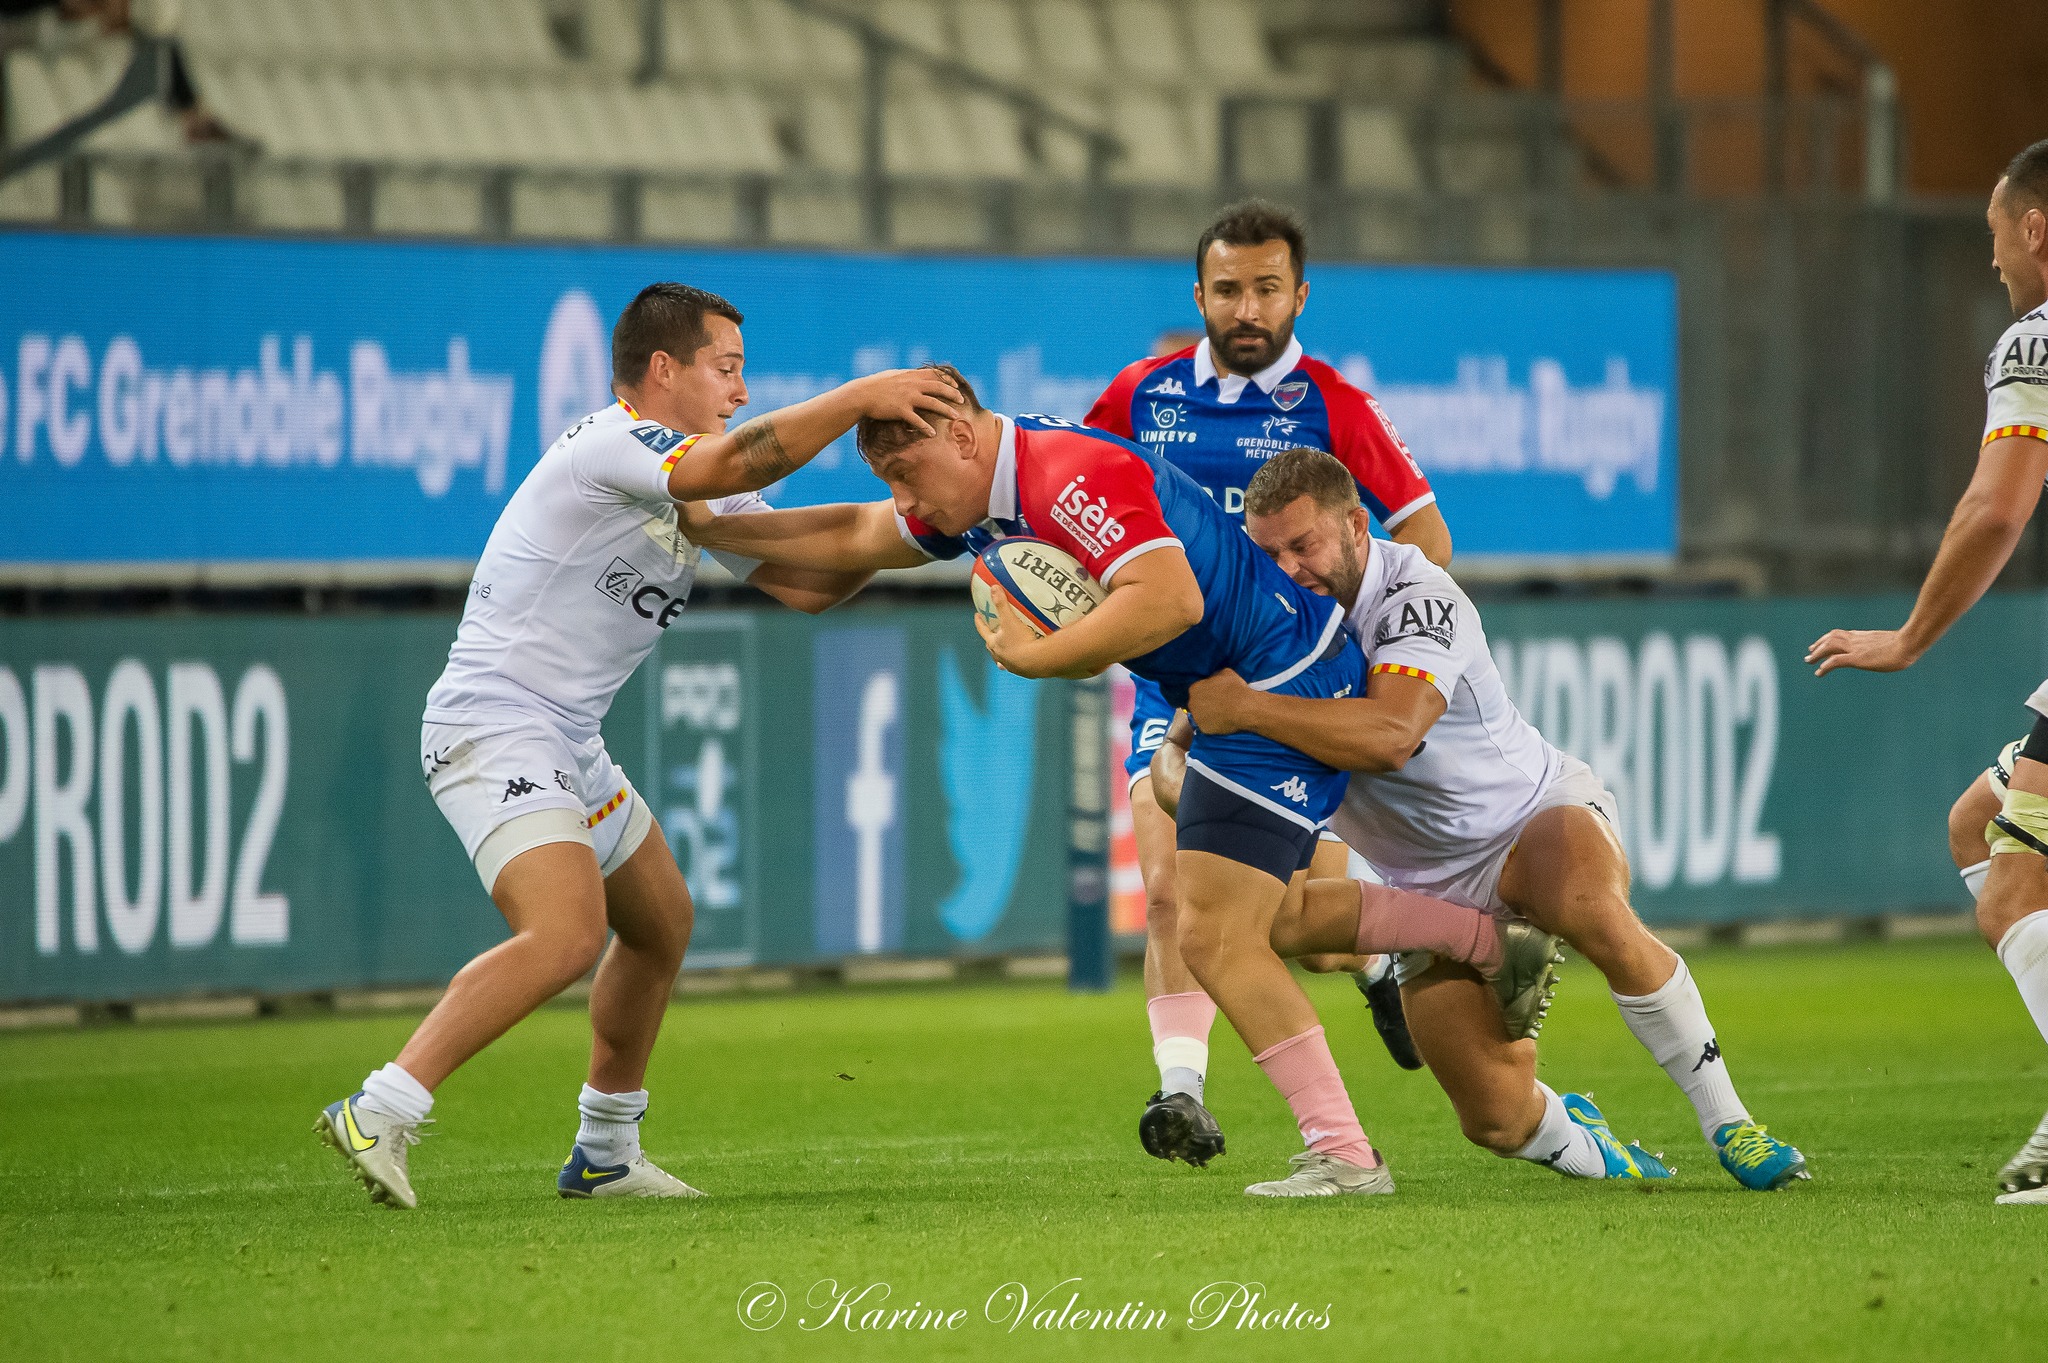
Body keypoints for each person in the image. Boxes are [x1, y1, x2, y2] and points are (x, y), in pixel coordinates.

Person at [680, 365, 1562, 1197]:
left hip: (1274, 676)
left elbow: (1168, 597)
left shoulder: (1062, 475)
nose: (906, 502)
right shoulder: (981, 490)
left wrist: (1036, 659)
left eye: (908, 474)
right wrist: (719, 527)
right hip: (1240, 679)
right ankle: (1482, 940)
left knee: (1215, 932)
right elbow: (857, 535)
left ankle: (1344, 1150)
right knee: (1276, 919)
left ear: (957, 432)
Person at [314, 283, 964, 1209]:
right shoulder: (613, 441)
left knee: (659, 926)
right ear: (664, 370)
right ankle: (381, 1106)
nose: (741, 391)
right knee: (566, 933)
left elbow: (810, 581)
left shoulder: (701, 475)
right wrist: (861, 396)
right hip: (493, 719)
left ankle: (606, 1152)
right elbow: (719, 468)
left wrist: (948, 526)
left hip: (564, 737)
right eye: (727, 368)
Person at [1165, 447, 1810, 1189]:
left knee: (1582, 905)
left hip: (1530, 818)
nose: (1285, 569)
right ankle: (1594, 1143)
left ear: (1355, 525)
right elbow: (1177, 755)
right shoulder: (1257, 621)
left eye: (1302, 546)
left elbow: (1391, 737)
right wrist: (1198, 788)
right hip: (1425, 888)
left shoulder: (1417, 596)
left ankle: (1733, 1124)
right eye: (1266, 550)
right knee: (1496, 1120)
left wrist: (1245, 709)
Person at [1084, 200, 1452, 1130]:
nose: (1247, 309)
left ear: (1300, 294)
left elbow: (1425, 538)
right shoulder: (1140, 396)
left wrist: (1376, 659)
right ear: (1199, 294)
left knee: (1300, 924)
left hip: (1293, 685)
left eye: (1267, 289)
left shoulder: (1337, 405)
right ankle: (1180, 1092)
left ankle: (1377, 962)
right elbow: (1073, 489)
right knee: (1167, 889)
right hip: (1171, 683)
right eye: (1228, 290)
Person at [1808, 139, 2048, 1207]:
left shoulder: (2034, 341)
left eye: (1995, 234)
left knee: (2010, 885)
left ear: (2033, 227)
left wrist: (1907, 635)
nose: (1993, 260)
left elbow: (1993, 505)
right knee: (1976, 823)